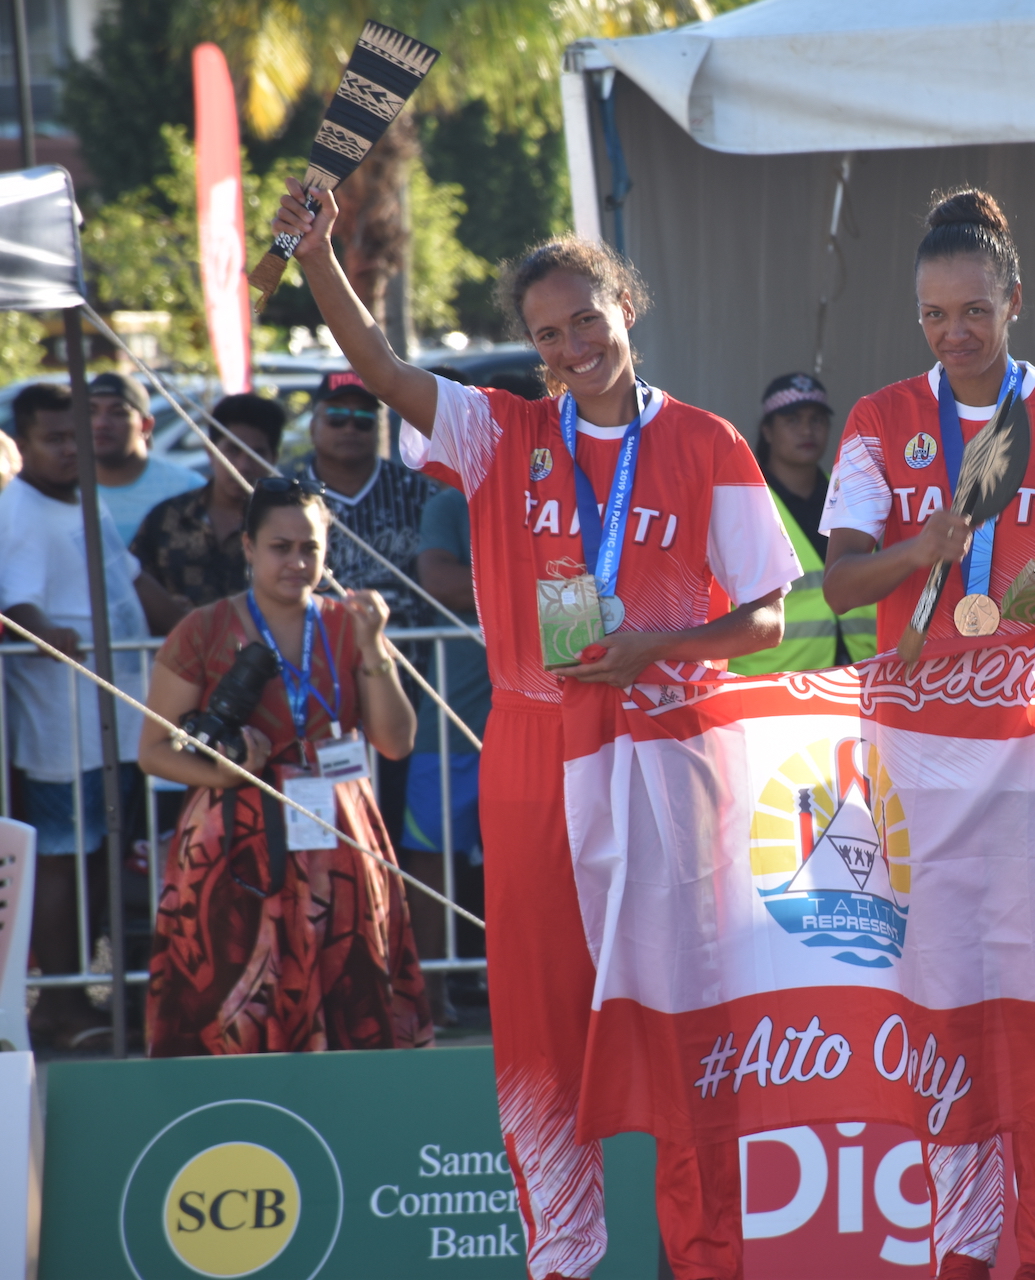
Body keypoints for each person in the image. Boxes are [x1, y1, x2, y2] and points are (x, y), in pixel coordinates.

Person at [273, 179, 798, 1280]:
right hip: (533, 753)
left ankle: (710, 1261)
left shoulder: (706, 444)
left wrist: (656, 647)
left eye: (587, 322)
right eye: (548, 334)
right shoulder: (500, 430)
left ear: (626, 308)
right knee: (543, 1028)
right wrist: (321, 254)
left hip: (663, 749)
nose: (571, 346)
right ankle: (561, 1258)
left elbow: (768, 617)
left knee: (686, 1020)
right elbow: (379, 367)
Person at [820, 188, 1035, 1280]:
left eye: (973, 309)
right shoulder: (880, 420)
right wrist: (927, 547)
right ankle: (963, 1252)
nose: (954, 331)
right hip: (917, 765)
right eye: (933, 315)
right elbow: (839, 577)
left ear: (1013, 301)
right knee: (946, 1030)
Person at [139, 476, 431, 1054]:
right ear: (248, 546)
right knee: (231, 1000)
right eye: (280, 547)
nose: (297, 562)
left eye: (310, 549)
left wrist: (375, 648)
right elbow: (153, 751)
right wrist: (224, 773)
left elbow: (395, 743)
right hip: (233, 836)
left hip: (339, 832)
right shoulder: (204, 628)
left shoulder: (350, 624)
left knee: (351, 989)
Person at [0, 382, 164, 1048]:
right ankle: (61, 1001)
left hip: (116, 722)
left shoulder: (83, 499)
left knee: (103, 856)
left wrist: (189, 619)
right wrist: (49, 634)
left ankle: (84, 997)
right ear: (23, 443)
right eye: (54, 439)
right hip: (60, 727)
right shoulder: (20, 512)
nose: (71, 449)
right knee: (66, 860)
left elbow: (129, 578)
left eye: (76, 436)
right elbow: (16, 605)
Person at [398, 484, 491, 1025]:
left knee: (544, 856)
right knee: (429, 857)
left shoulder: (573, 485)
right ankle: (425, 1002)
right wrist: (537, 575)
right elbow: (440, 581)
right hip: (451, 722)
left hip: (547, 713)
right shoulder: (454, 501)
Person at [732, 372, 877, 673]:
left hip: (860, 678)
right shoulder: (745, 503)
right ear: (768, 431)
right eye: (792, 420)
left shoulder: (852, 495)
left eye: (817, 420)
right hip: (772, 682)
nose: (807, 430)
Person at [300, 369, 441, 633]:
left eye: (364, 419)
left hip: (413, 656)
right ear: (313, 425)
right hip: (323, 652)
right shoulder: (290, 497)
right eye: (336, 418)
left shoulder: (417, 492)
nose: (350, 428)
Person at [131, 393, 288, 629]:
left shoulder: (287, 526)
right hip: (178, 659)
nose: (243, 466)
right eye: (233, 451)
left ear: (273, 458)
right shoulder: (166, 518)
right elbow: (132, 585)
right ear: (210, 451)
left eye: (256, 454)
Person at [90, 372, 202, 546]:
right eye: (90, 412)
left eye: (118, 412)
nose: (101, 423)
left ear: (146, 424)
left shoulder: (186, 488)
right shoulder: (62, 490)